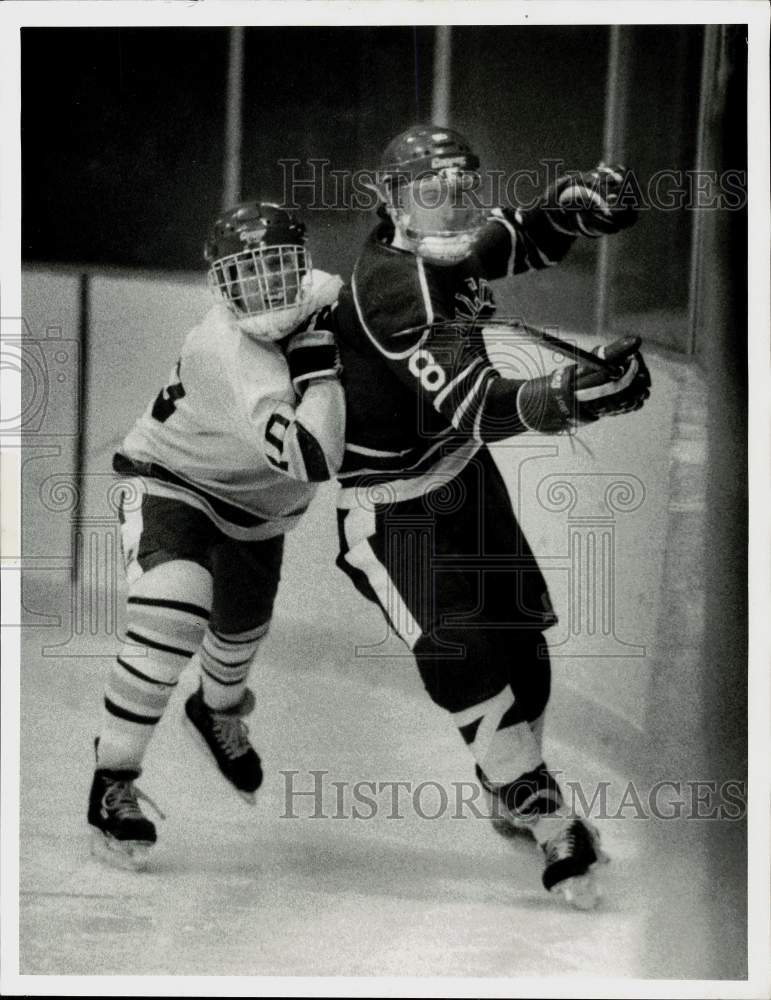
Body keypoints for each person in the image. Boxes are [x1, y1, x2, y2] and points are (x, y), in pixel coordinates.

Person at [333, 124, 650, 909]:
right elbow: (476, 405)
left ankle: (508, 785)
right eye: (428, 193)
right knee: (468, 664)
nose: (450, 208)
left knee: (522, 653)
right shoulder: (394, 286)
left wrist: (568, 209)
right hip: (392, 511)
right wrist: (576, 398)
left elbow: (511, 242)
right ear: (389, 202)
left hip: (463, 481)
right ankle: (550, 824)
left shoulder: (441, 245)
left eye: (460, 190)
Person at [88, 201, 345, 869]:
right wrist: (320, 371)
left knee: (238, 636)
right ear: (218, 285)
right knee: (171, 611)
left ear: (303, 268)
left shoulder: (330, 296)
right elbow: (312, 456)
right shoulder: (225, 351)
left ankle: (216, 711)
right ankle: (113, 783)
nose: (262, 291)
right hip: (172, 479)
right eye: (244, 275)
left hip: (260, 508)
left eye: (276, 271)